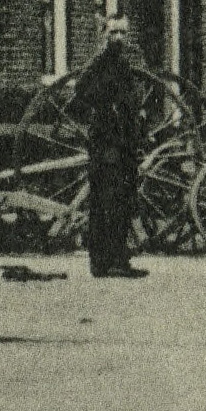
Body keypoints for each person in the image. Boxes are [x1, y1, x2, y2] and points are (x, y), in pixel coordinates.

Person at [69, 29, 153, 278]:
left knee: (123, 203)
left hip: (124, 144)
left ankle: (117, 260)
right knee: (106, 203)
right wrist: (106, 106)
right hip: (106, 145)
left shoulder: (123, 65)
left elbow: (131, 100)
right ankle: (104, 262)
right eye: (114, 32)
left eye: (123, 33)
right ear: (104, 36)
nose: (119, 38)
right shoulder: (99, 64)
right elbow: (81, 90)